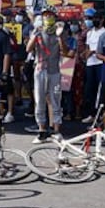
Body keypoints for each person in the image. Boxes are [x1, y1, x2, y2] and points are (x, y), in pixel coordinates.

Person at [27, 10, 68, 143]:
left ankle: (56, 130)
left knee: (55, 99)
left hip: (54, 70)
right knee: (39, 100)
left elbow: (65, 52)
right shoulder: (37, 31)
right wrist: (35, 35)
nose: (48, 18)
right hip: (40, 69)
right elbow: (28, 49)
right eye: (45, 16)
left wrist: (60, 37)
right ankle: (42, 130)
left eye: (50, 15)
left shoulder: (60, 31)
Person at [81, 8, 105, 124]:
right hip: (90, 63)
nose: (93, 21)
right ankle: (91, 113)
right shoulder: (90, 33)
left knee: (100, 90)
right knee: (89, 90)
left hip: (100, 63)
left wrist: (93, 52)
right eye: (92, 18)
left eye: (96, 18)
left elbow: (104, 48)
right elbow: (87, 47)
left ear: (102, 20)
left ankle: (100, 114)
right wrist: (86, 54)